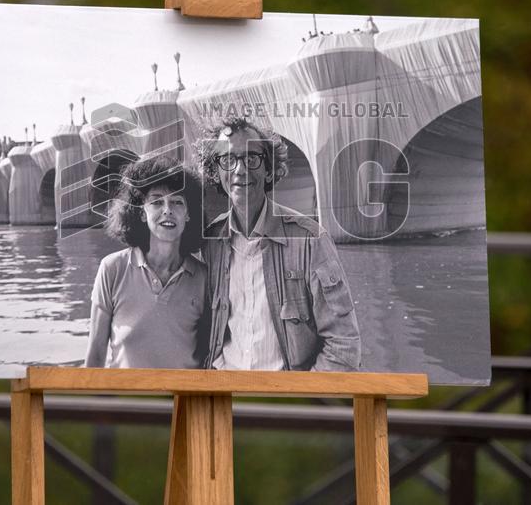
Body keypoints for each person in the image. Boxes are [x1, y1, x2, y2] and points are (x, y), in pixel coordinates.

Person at [197, 117, 361, 371]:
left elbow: (343, 346)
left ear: (269, 169)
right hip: (223, 388)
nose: (240, 169)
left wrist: (296, 393)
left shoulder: (309, 241)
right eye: (228, 160)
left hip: (286, 392)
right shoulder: (209, 244)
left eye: (252, 158)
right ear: (215, 172)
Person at [84, 155, 209, 369]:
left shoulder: (204, 278)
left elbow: (208, 357)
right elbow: (95, 357)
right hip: (124, 391)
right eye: (157, 202)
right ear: (142, 212)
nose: (167, 210)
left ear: (188, 214)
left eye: (177, 202)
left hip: (183, 392)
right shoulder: (112, 269)